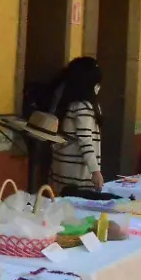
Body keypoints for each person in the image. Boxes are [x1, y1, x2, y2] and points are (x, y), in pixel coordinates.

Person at [49, 57, 103, 193]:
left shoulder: (69, 104)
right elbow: (86, 141)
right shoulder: (82, 107)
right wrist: (95, 172)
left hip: (63, 173)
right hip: (77, 178)